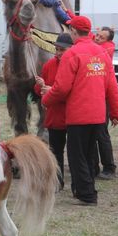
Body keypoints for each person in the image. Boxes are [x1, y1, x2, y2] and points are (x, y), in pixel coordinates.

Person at [41, 16, 118, 206]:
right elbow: (112, 86)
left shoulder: (72, 54)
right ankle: (86, 190)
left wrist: (46, 99)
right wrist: (116, 112)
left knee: (77, 156)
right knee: (89, 155)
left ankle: (86, 195)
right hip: (98, 114)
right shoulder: (102, 52)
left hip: (78, 114)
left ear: (73, 31)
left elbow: (62, 88)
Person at [35, 33, 73, 188]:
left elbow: (73, 91)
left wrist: (51, 91)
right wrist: (41, 85)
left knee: (75, 152)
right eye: (56, 49)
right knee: (56, 152)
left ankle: (79, 183)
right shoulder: (49, 65)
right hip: (54, 116)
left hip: (72, 116)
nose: (58, 53)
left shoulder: (74, 64)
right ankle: (57, 182)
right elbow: (39, 91)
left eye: (62, 50)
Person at [92, 26, 118, 179]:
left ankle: (109, 167)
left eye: (101, 37)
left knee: (101, 135)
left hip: (102, 99)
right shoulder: (99, 47)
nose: (97, 38)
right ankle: (94, 166)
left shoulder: (105, 51)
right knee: (93, 135)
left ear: (108, 41)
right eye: (97, 35)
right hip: (96, 98)